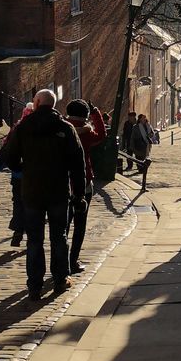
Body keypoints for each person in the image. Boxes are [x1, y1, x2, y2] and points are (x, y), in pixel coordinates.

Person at [4, 88, 87, 298]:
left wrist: (25, 169)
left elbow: (10, 157)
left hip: (32, 191)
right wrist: (79, 195)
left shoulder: (24, 127)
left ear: (37, 102)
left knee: (34, 239)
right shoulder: (65, 128)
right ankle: (60, 280)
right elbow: (78, 164)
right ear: (53, 104)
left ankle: (34, 285)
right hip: (58, 190)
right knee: (59, 237)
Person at [0, 101, 35, 246]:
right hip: (38, 176)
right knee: (34, 206)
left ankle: (17, 233)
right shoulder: (43, 127)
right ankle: (32, 237)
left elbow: (6, 153)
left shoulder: (17, 129)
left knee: (18, 203)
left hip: (18, 175)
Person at [65, 98, 106, 274]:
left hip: (63, 183)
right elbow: (102, 135)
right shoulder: (86, 134)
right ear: (85, 116)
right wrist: (96, 113)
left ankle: (60, 260)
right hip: (83, 182)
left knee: (63, 226)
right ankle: (72, 261)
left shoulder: (62, 128)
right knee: (79, 226)